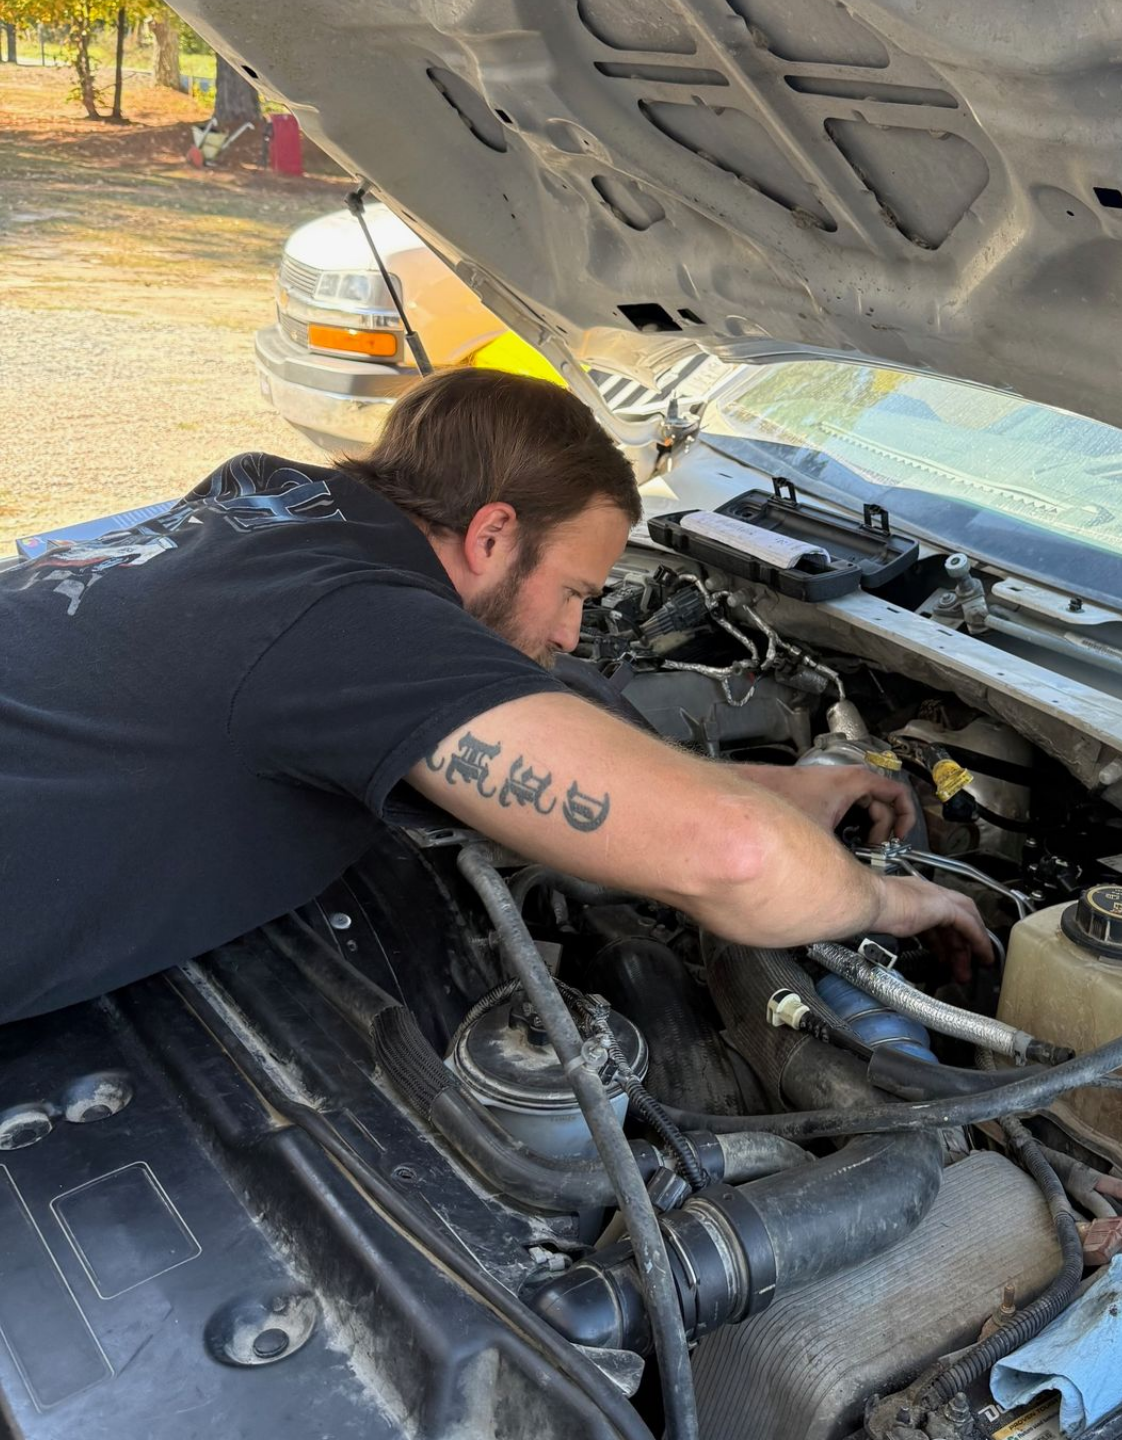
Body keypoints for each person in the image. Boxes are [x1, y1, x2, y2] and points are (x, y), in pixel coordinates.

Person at [0, 369, 987, 1022]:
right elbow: (727, 856)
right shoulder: (355, 628)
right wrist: (888, 898)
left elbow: (516, 715)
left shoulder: (265, 495)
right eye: (573, 594)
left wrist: (780, 787)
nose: (569, 634)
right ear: (489, 534)